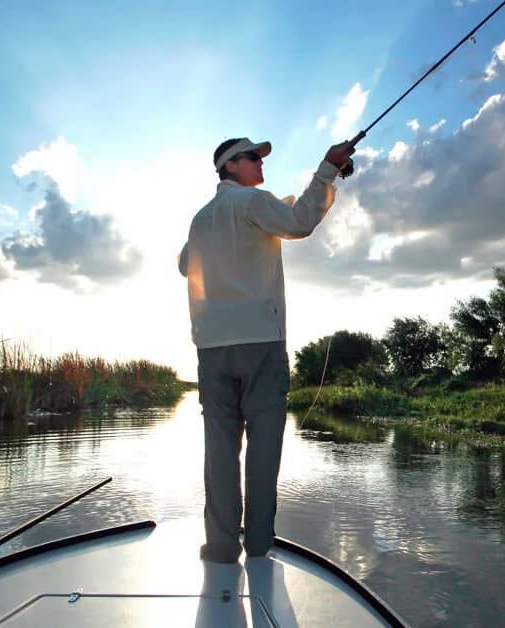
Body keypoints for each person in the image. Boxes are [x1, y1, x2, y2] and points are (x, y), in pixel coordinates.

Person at [178, 136, 355, 563]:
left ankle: (220, 547)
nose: (261, 163)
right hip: (260, 345)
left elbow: (185, 264)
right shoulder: (253, 201)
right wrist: (328, 169)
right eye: (253, 158)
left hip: (212, 350)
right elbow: (298, 222)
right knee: (263, 450)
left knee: (219, 451)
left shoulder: (201, 219)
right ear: (230, 166)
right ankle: (257, 545)